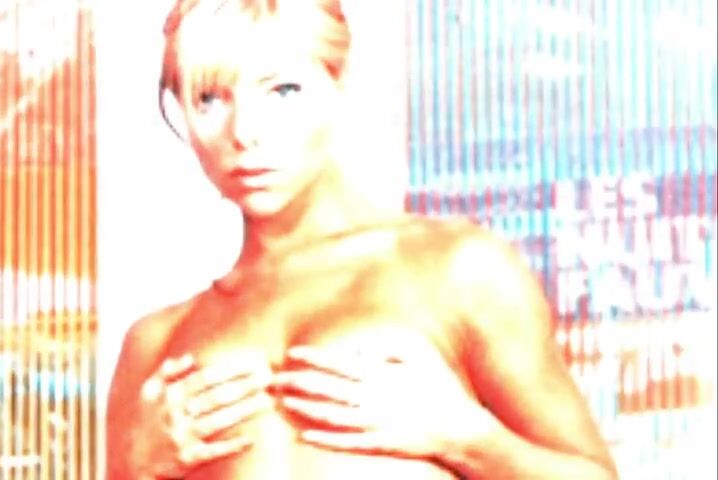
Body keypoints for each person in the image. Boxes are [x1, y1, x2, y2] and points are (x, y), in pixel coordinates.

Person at [105, 0, 619, 478]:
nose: (245, 133)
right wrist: (133, 465)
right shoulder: (154, 345)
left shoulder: (457, 271)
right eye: (210, 99)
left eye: (282, 91)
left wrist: (464, 437)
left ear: (339, 82)